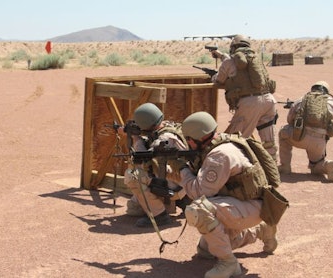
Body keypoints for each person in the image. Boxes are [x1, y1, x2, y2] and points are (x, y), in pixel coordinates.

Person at [168, 111, 288, 278]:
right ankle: (261, 230)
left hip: (250, 207)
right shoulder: (216, 142)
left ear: (196, 138)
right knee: (207, 250)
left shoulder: (220, 155)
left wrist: (181, 169)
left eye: (188, 140)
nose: (187, 144)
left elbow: (199, 192)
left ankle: (228, 263)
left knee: (199, 210)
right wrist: (170, 172)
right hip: (243, 204)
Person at [210, 34, 278, 161]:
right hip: (269, 100)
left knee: (236, 139)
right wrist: (220, 55)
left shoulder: (229, 62)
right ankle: (272, 165)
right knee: (268, 140)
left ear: (233, 47)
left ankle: (234, 167)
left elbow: (218, 80)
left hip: (251, 103)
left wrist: (213, 75)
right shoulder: (255, 59)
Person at [123, 103, 190, 228]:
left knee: (132, 176)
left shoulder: (164, 138)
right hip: (184, 180)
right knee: (133, 209)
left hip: (175, 184)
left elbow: (144, 161)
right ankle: (182, 201)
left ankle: (160, 216)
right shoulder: (169, 126)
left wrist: (137, 140)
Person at [278, 81, 333, 182]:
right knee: (315, 167)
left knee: (283, 133)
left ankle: (285, 166)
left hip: (298, 137)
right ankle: (326, 165)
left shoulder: (302, 99)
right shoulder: (331, 103)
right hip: (319, 141)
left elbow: (289, 120)